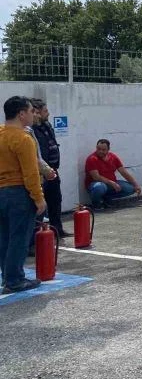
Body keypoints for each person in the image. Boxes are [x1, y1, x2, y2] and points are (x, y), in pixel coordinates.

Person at [1, 96, 47, 294]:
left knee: (4, 237)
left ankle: (8, 275)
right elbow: (30, 173)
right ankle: (15, 280)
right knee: (19, 238)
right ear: (21, 114)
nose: (32, 114)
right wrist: (39, 198)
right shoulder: (23, 139)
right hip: (18, 193)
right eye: (30, 111)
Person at [30, 99, 69, 237]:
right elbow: (37, 154)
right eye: (45, 111)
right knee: (39, 207)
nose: (48, 113)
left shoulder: (46, 125)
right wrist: (45, 170)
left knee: (55, 200)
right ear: (37, 112)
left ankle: (57, 229)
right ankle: (35, 238)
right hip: (41, 172)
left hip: (52, 169)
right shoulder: (30, 130)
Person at [84, 139, 141, 210]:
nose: (100, 151)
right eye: (98, 149)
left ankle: (107, 199)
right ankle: (96, 204)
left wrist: (136, 185)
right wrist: (112, 183)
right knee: (99, 187)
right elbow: (96, 177)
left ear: (108, 149)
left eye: (103, 149)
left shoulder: (113, 157)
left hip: (111, 183)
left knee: (131, 188)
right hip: (95, 184)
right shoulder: (92, 159)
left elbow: (123, 172)